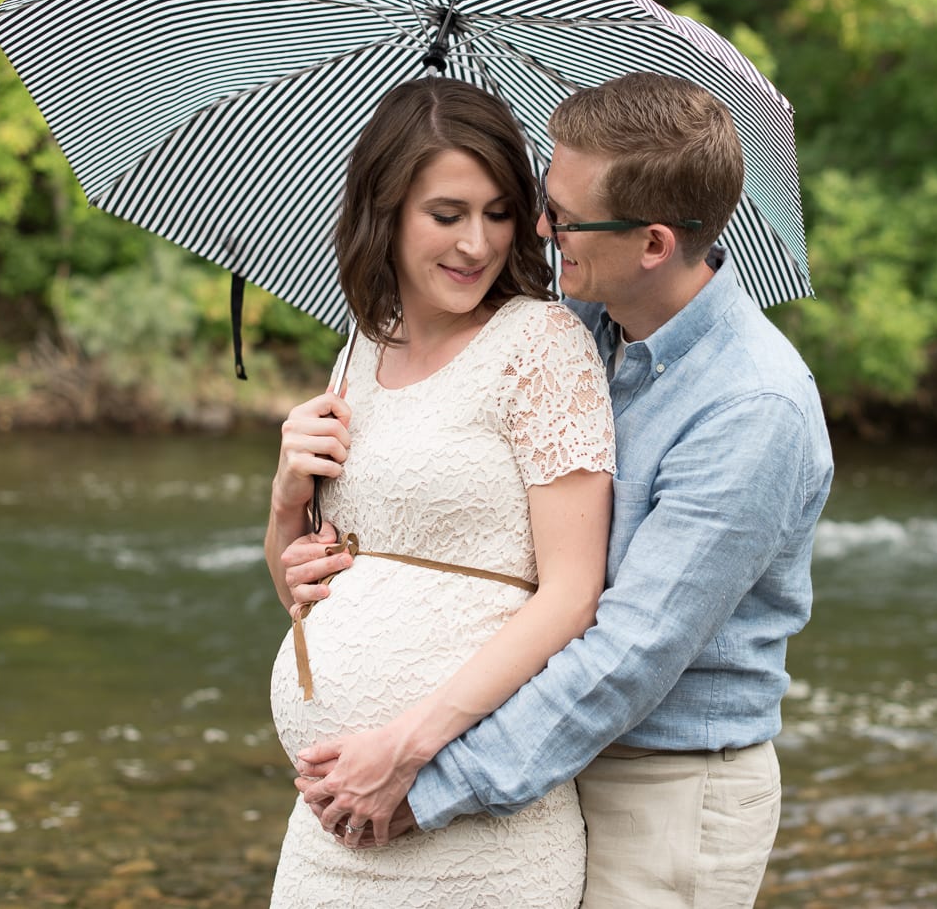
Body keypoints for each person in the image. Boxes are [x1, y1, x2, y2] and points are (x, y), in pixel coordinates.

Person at [290, 72, 834, 908]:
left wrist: (427, 776)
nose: (539, 231)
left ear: (653, 243)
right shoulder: (585, 325)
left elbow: (629, 654)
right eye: (542, 200)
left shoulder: (751, 409)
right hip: (550, 764)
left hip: (664, 790)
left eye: (562, 218)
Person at [261, 76, 615, 907]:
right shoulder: (360, 349)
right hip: (329, 827)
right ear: (385, 211)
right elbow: (302, 591)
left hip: (464, 825)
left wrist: (406, 748)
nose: (477, 244)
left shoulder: (541, 345)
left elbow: (572, 596)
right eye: (446, 214)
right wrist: (284, 503)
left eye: (498, 212)